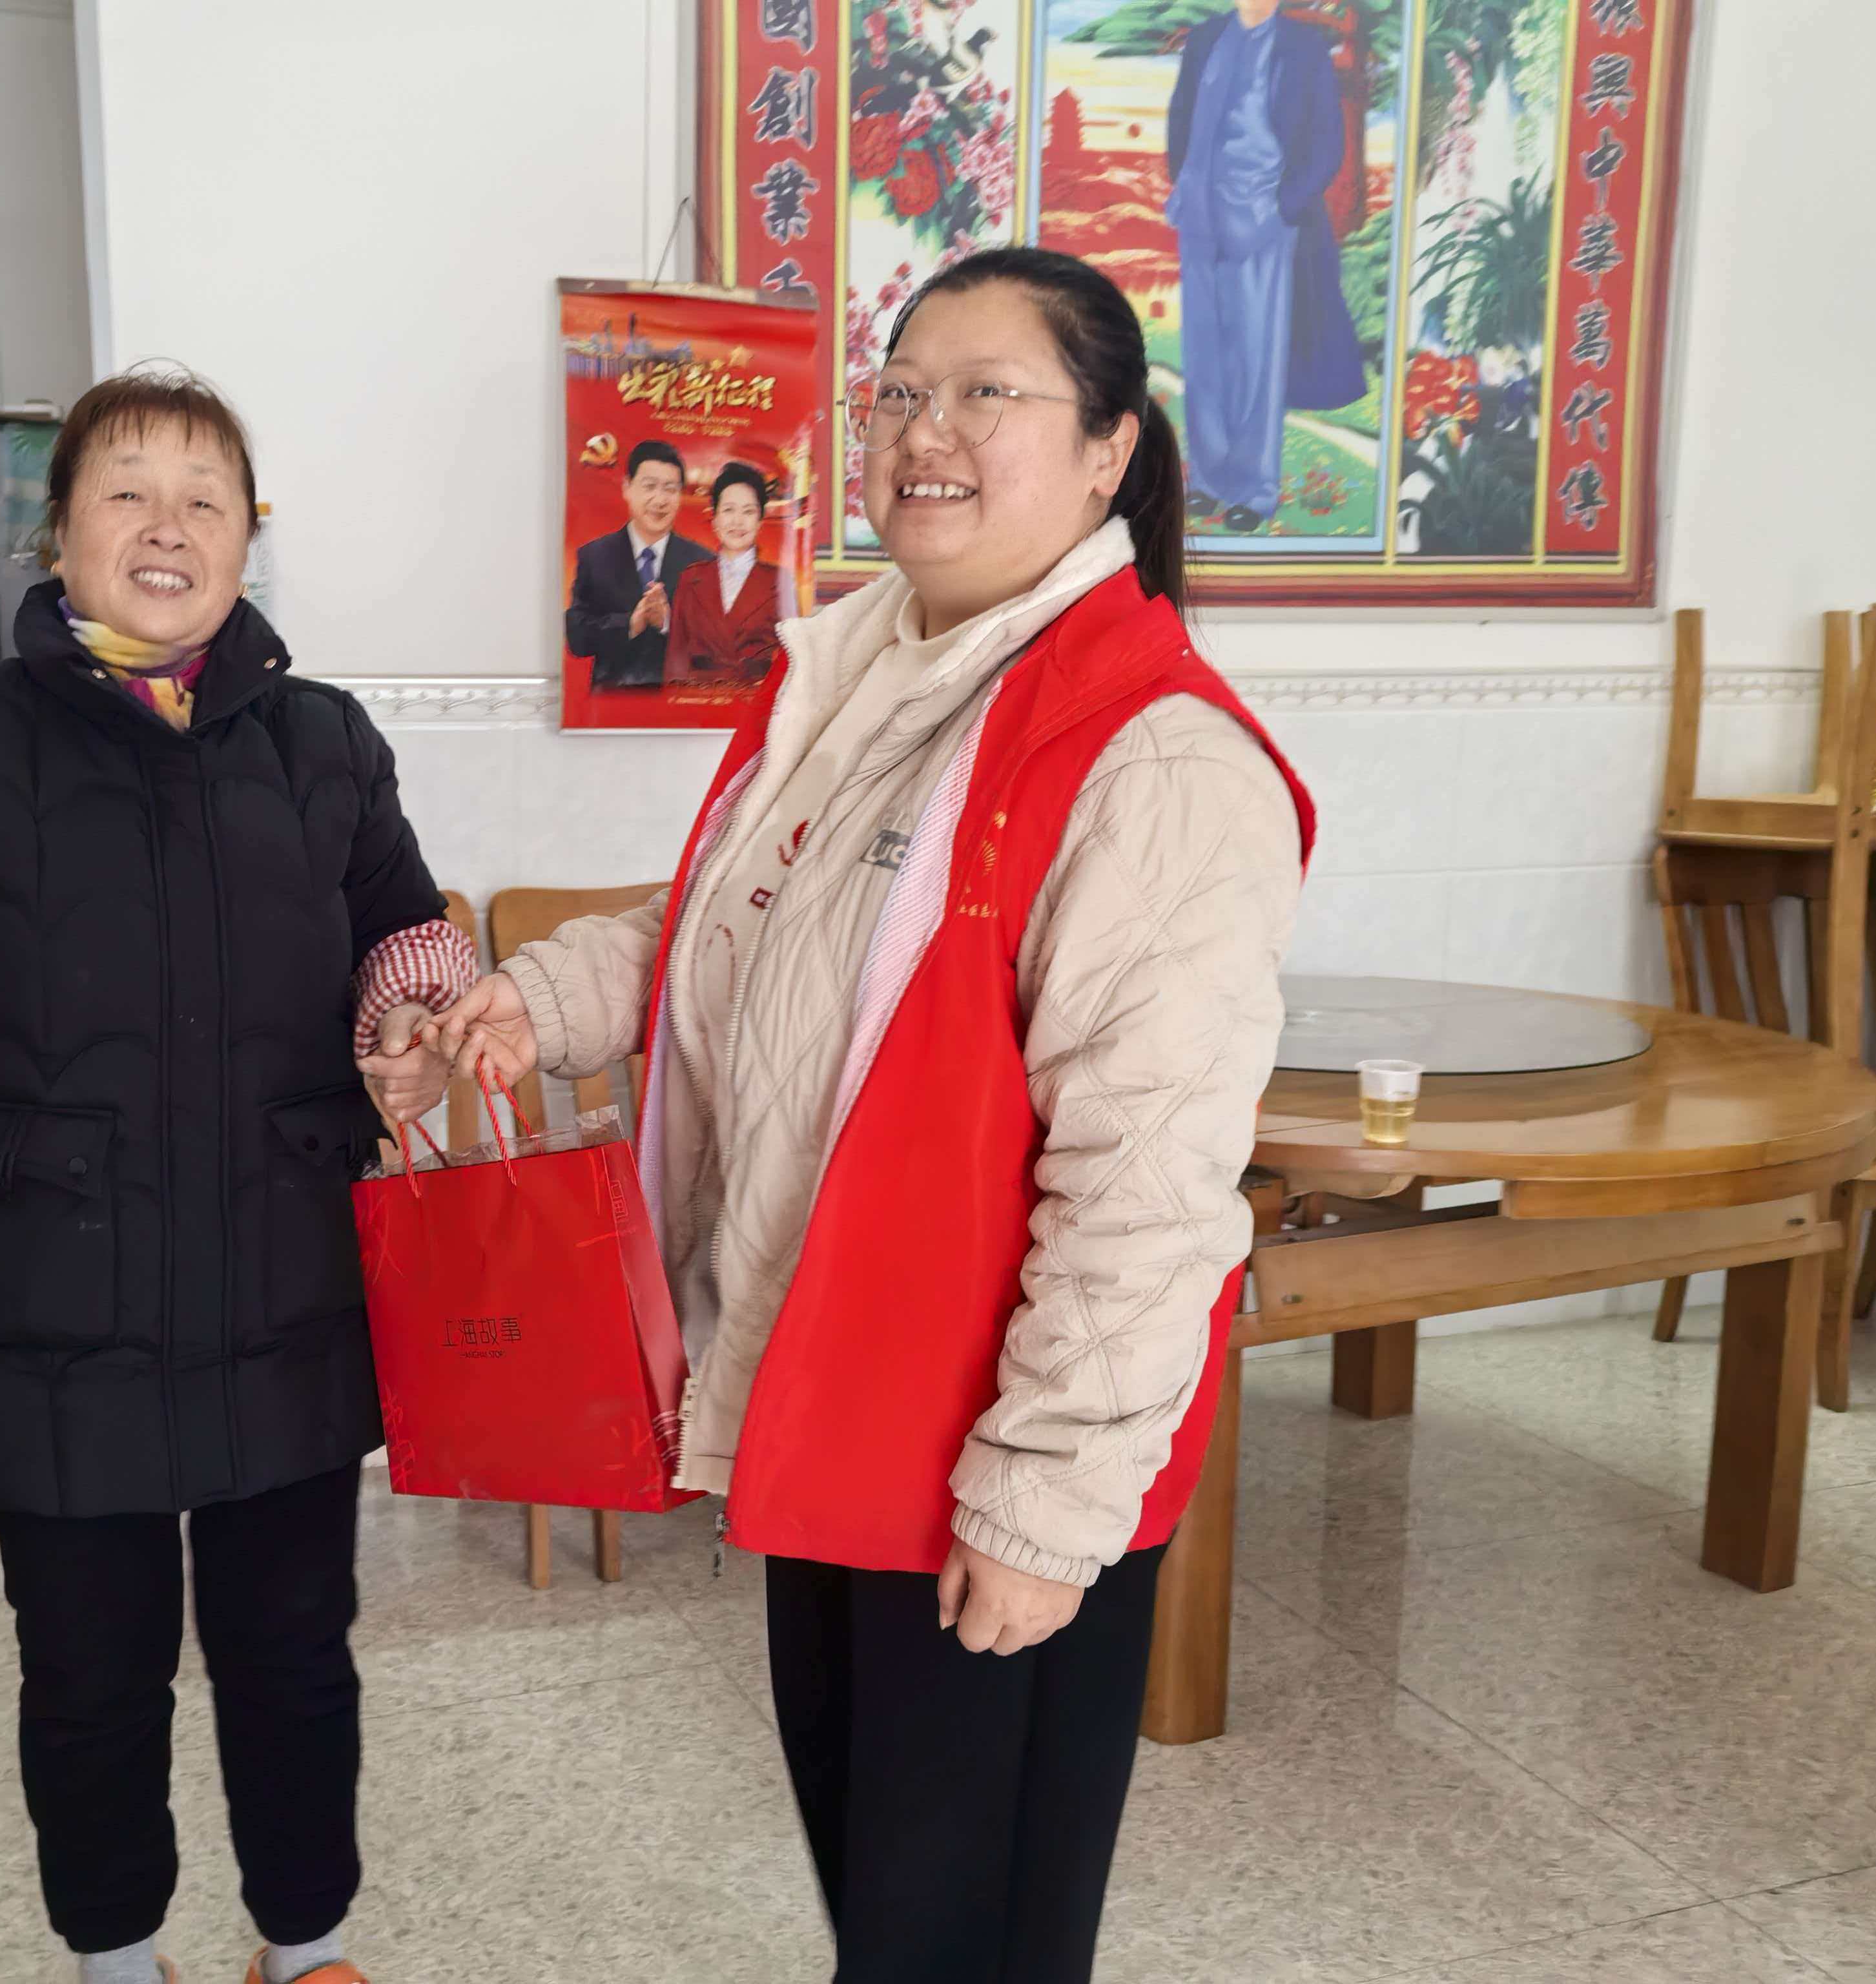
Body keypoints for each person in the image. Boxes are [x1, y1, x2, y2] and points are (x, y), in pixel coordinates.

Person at [426, 248, 1313, 1981]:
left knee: (967, 1935)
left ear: (1110, 451)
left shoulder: (1155, 756)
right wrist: (543, 999)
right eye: (904, 389)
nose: (926, 428)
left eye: (988, 392)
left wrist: (1043, 1505)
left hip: (983, 1451)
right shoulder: (859, 673)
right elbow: (747, 932)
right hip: (824, 1400)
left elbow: (1148, 1189)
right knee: (883, 1910)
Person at [0, 366, 470, 1984]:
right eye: (128, 489)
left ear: (245, 541)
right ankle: (116, 1955)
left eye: (207, 497)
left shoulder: (323, 740)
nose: (169, 523)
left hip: (285, 1279)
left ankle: (304, 1946)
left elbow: (404, 929)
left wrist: (414, 1018)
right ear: (59, 531)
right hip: (47, 1293)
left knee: (297, 1652)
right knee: (89, 1674)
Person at [1164, 0, 1366, 534]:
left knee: (1256, 358)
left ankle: (1253, 492)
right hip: (1199, 220)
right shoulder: (1206, 39)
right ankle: (1208, 482)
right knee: (1203, 357)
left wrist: (1283, 207)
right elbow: (1181, 118)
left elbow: (1327, 143)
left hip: (1263, 222)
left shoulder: (1304, 48)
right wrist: (1184, 184)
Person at [564, 439, 714, 692]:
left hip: (680, 703)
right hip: (611, 702)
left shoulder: (703, 562)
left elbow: (714, 646)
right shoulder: (595, 556)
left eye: (670, 489)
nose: (660, 500)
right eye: (650, 487)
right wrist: (631, 624)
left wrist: (668, 623)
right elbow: (577, 638)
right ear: (627, 488)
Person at [664, 459, 786, 692]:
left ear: (760, 520)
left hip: (757, 704)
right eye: (729, 510)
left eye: (748, 511)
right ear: (715, 518)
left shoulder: (780, 581)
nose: (737, 521)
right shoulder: (691, 579)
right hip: (698, 703)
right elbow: (675, 662)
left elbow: (792, 661)